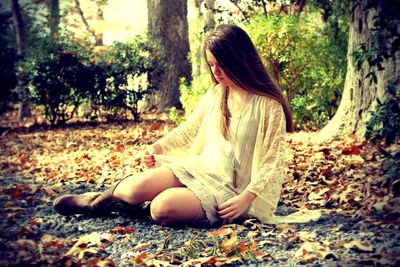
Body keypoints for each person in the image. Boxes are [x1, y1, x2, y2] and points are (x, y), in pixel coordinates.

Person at [53, 24, 294, 227]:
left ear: (239, 60)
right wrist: (159, 147)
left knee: (162, 208)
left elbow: (272, 161)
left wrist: (247, 197)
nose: (216, 72)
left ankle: (141, 207)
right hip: (201, 169)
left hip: (233, 191)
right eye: (211, 65)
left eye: (221, 64)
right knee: (136, 187)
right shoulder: (217, 94)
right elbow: (189, 129)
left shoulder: (268, 106)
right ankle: (96, 203)